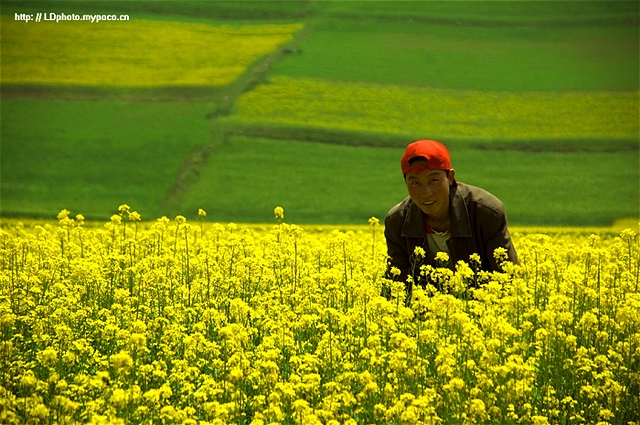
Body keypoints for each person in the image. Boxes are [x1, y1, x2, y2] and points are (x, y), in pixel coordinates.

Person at [384, 139, 518, 302]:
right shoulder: (397, 222)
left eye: (434, 180)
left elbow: (508, 280)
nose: (425, 192)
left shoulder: (487, 213)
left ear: (450, 177)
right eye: (415, 183)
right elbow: (397, 289)